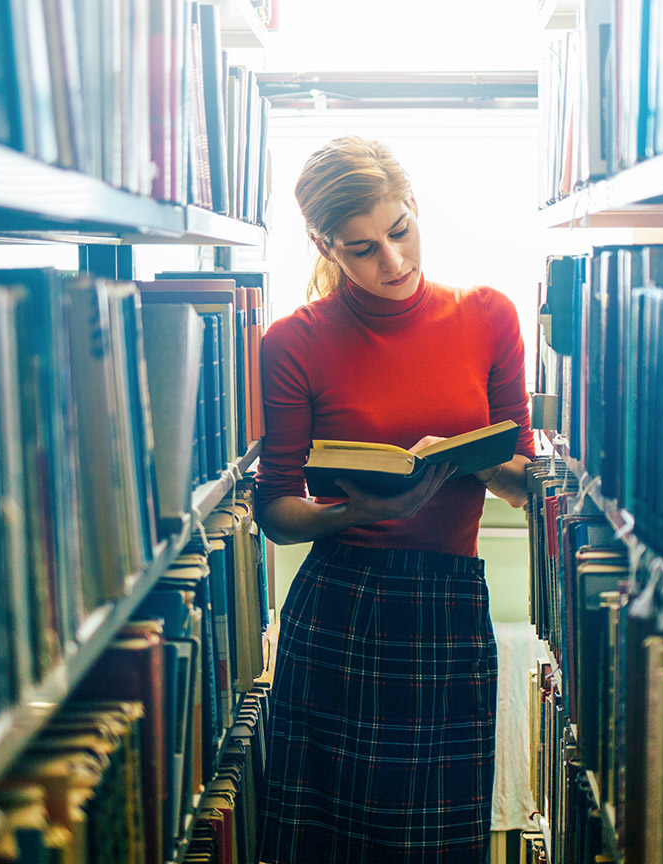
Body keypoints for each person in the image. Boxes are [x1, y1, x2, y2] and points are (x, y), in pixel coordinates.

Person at [254, 135, 535, 864]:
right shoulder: (291, 343)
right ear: (326, 245)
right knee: (323, 841)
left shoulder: (490, 317)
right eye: (362, 249)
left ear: (413, 207)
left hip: (446, 605)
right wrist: (356, 513)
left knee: (437, 845)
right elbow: (275, 509)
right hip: (340, 609)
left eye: (400, 232)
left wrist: (490, 466)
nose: (394, 262)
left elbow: (520, 475)